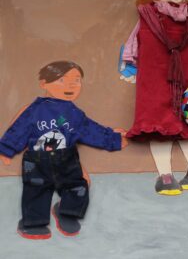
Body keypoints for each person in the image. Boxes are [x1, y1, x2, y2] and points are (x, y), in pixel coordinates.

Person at [0, 61, 127, 239]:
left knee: (78, 186)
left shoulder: (74, 113)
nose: (71, 85)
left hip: (66, 158)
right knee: (35, 190)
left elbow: (90, 130)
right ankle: (33, 223)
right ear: (44, 84)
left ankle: (67, 212)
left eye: (77, 80)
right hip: (36, 161)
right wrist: (6, 149)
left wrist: (114, 139)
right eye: (62, 80)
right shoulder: (34, 110)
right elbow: (19, 129)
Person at [120, 0, 188, 195]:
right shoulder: (147, 14)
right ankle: (166, 175)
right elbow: (132, 46)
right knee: (159, 126)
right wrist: (132, 69)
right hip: (155, 82)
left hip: (181, 82)